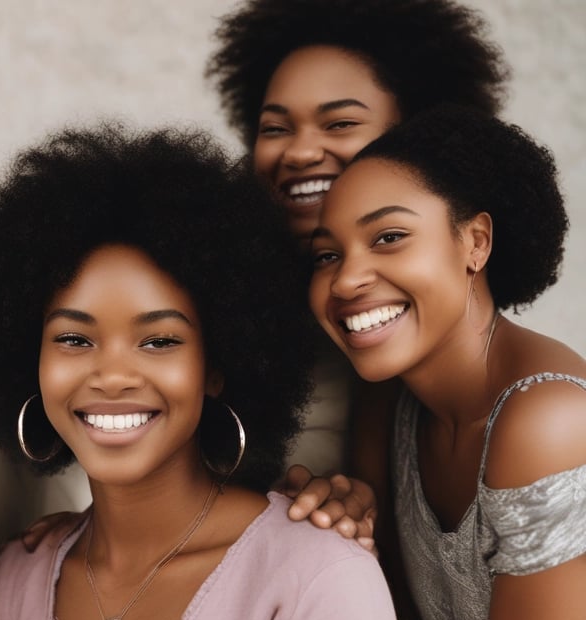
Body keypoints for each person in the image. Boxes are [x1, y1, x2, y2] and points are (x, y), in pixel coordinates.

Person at [0, 125, 412, 620]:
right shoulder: (16, 587)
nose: (111, 375)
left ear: (217, 365)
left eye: (158, 341)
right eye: (74, 340)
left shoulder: (317, 583)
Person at [308, 104, 586, 620]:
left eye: (389, 238)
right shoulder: (393, 399)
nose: (347, 279)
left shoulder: (544, 422)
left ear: (476, 243)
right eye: (327, 255)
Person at [206, 0, 509, 485]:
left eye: (340, 123)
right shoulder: (220, 303)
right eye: (275, 129)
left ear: (419, 138)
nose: (301, 152)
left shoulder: (439, 336)